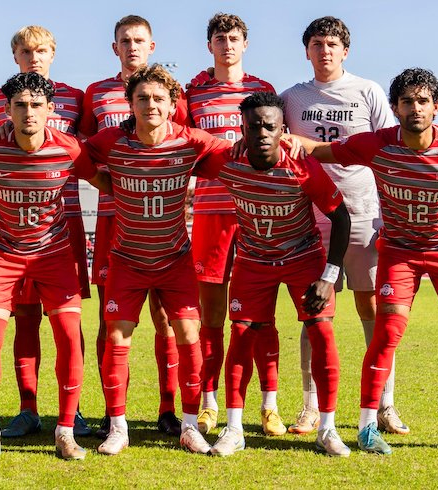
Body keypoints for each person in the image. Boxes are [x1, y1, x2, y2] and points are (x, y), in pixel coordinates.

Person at [295, 67, 438, 456]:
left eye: (423, 101)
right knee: (386, 333)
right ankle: (367, 427)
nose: (415, 108)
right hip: (399, 253)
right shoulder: (376, 144)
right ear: (394, 108)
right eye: (407, 102)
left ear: (436, 107)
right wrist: (282, 137)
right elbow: (322, 151)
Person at [88, 64, 230, 456]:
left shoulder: (191, 141)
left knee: (188, 336)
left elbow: (238, 152)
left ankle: (188, 425)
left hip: (175, 260)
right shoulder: (111, 142)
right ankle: (118, 427)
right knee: (117, 337)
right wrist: (107, 183)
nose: (150, 104)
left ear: (172, 106)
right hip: (128, 259)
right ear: (130, 104)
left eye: (158, 98)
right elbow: (77, 155)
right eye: (142, 98)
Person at [200, 92, 351, 457]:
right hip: (253, 259)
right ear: (243, 130)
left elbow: (341, 217)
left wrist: (329, 276)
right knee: (240, 333)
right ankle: (234, 429)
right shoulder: (227, 161)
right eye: (255, 126)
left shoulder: (301, 166)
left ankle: (327, 428)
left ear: (283, 129)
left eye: (271, 126)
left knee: (322, 332)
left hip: (302, 256)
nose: (263, 133)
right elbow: (181, 148)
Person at [0, 72, 107, 462]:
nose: (28, 112)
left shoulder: (70, 149)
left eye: (36, 105)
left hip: (54, 255)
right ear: (7, 111)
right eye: (20, 106)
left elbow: (104, 183)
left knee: (67, 333)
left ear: (49, 109)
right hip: (2, 254)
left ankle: (65, 430)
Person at [280, 16, 407, 436]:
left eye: (333, 43)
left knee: (372, 310)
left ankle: (385, 403)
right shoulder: (292, 98)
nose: (325, 50)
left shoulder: (367, 91)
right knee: (312, 313)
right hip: (310, 221)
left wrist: (391, 209)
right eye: (317, 43)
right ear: (307, 50)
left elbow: (390, 149)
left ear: (345, 51)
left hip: (363, 215)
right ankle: (310, 406)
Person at [79, 14, 189, 439]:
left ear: (152, 46)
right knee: (111, 322)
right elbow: (83, 150)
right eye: (124, 40)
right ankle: (113, 413)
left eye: (139, 40)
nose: (131, 47)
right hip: (113, 220)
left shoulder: (171, 93)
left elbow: (184, 139)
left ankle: (167, 407)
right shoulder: (96, 93)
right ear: (114, 48)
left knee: (166, 318)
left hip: (161, 219)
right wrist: (107, 183)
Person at [0, 26, 92, 438]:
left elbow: (89, 147)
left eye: (42, 50)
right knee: (25, 318)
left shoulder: (76, 97)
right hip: (13, 225)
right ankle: (28, 408)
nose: (35, 57)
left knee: (68, 320)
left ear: (53, 52)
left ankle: (74, 408)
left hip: (63, 219)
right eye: (26, 51)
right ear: (15, 56)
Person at [185, 12, 282, 437]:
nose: (227, 44)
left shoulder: (264, 90)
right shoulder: (193, 92)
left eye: (235, 38)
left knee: (261, 318)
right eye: (220, 37)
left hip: (259, 212)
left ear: (246, 44)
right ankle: (208, 404)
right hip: (211, 214)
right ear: (210, 45)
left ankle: (269, 406)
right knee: (211, 317)